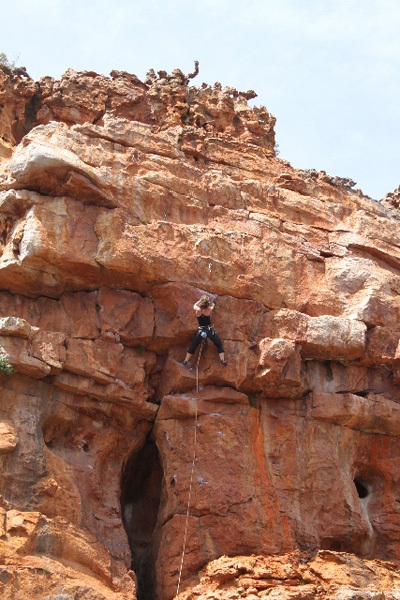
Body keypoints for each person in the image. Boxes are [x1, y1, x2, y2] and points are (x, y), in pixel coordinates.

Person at [182, 295, 227, 365]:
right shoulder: (208, 309)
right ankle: (222, 360)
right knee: (219, 344)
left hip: (201, 331)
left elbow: (195, 305)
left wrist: (200, 301)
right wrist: (211, 302)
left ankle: (186, 360)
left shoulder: (197, 309)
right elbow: (213, 305)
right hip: (209, 330)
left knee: (193, 345)